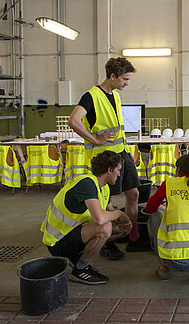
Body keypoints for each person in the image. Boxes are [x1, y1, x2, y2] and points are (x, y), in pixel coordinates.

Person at [68, 57, 148, 255]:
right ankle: (107, 242)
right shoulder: (91, 96)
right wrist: (95, 139)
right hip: (104, 156)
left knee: (134, 193)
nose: (127, 83)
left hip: (122, 153)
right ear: (112, 76)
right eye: (125, 79)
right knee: (107, 200)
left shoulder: (116, 95)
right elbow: (73, 121)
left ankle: (132, 235)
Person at [40, 150, 132, 285]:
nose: (119, 174)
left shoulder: (103, 187)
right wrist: (119, 214)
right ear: (109, 169)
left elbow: (109, 210)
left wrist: (123, 224)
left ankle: (77, 256)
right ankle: (80, 269)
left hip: (73, 232)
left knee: (119, 230)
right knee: (104, 228)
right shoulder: (87, 184)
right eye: (118, 170)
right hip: (57, 242)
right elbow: (100, 219)